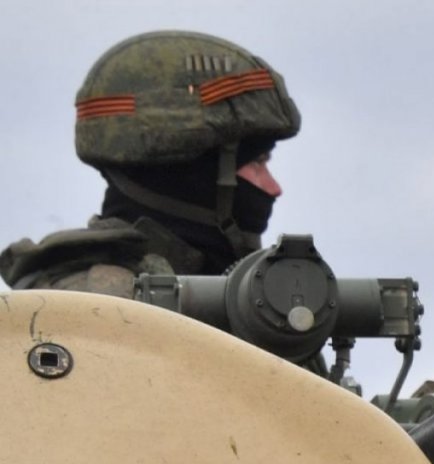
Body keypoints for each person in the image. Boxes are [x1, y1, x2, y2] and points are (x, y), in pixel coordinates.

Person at [0, 30, 301, 298]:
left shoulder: (245, 302)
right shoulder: (100, 303)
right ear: (191, 176)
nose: (274, 188)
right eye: (257, 163)